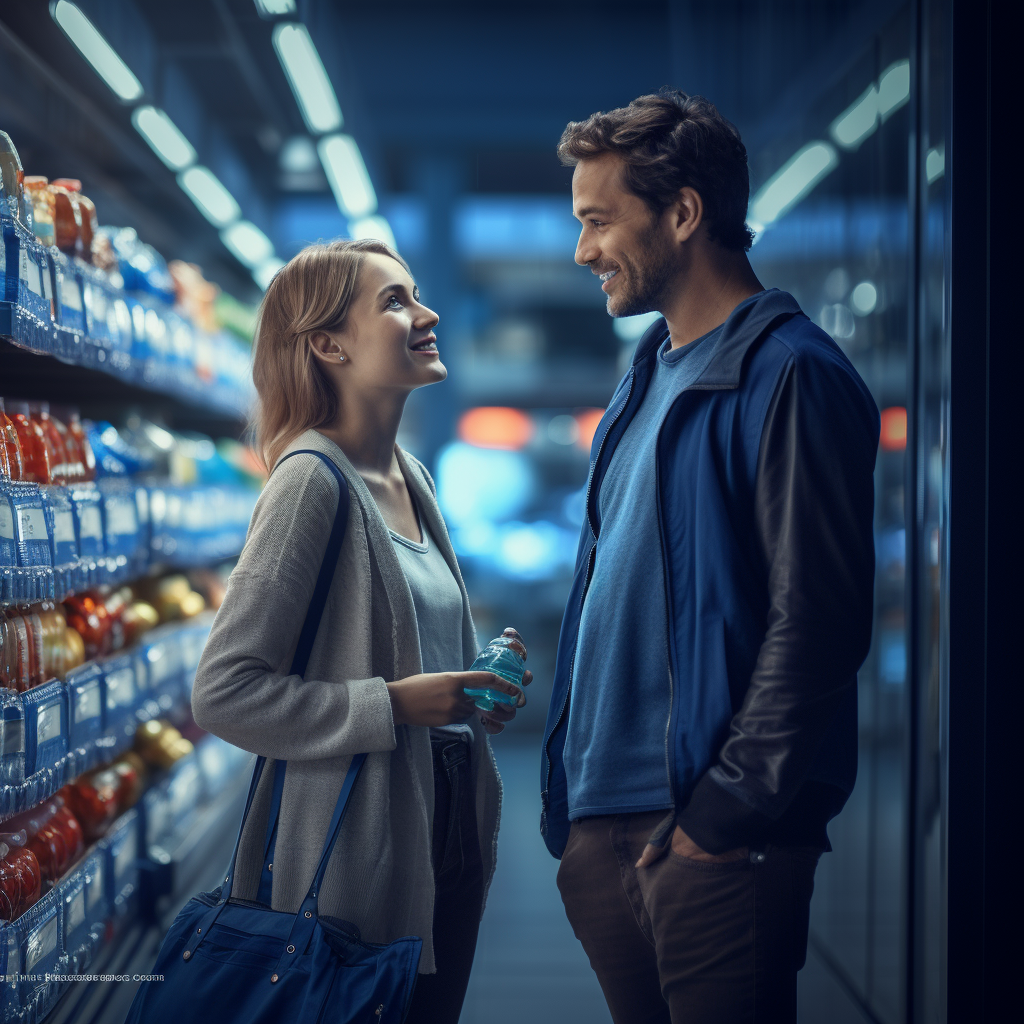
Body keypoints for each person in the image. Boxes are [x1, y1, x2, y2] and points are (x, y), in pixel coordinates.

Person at [541, 90, 880, 1023]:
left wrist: (721, 821)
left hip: (709, 834)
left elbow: (818, 620)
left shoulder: (792, 375)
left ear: (684, 213)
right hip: (608, 823)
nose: (583, 251)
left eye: (600, 221)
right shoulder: (646, 377)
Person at [190, 238, 532, 1024]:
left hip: (442, 833)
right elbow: (224, 693)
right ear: (328, 344)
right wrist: (396, 706)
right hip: (351, 859)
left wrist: (472, 684)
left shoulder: (412, 479)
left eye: (416, 294)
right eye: (395, 301)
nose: (427, 312)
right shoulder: (310, 481)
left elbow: (405, 662)